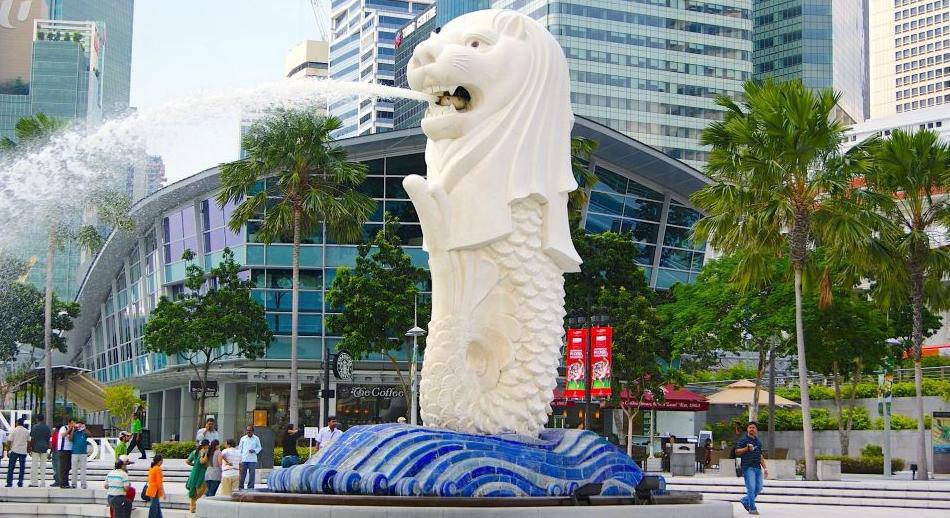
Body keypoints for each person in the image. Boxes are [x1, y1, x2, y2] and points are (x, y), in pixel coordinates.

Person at [735, 421, 768, 515]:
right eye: (750, 427)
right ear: (747, 429)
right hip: (748, 467)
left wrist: (765, 468)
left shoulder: (758, 441)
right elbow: (737, 452)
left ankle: (745, 501)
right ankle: (752, 508)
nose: (751, 429)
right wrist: (746, 449)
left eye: (753, 427)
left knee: (759, 488)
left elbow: (760, 455)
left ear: (756, 430)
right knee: (751, 488)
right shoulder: (743, 440)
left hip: (757, 468)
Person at [185, 440, 210, 513]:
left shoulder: (194, 452)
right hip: (201, 472)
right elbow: (203, 462)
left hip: (194, 472)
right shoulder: (204, 451)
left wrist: (194, 465)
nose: (208, 446)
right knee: (202, 489)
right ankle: (194, 507)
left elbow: (187, 461)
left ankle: (192, 507)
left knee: (194, 489)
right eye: (208, 445)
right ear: (205, 445)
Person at [5, 418, 29, 487]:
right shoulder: (26, 431)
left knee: (11, 467)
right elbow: (29, 441)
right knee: (22, 468)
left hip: (14, 450)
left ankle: (9, 483)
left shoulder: (14, 430)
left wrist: (8, 450)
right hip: (23, 451)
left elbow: (9, 441)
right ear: (23, 423)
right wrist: (28, 450)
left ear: (17, 423)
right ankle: (20, 482)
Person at [29, 414, 51, 487]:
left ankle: (34, 483)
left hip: (35, 448)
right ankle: (43, 482)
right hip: (44, 448)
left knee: (34, 466)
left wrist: (30, 447)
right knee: (43, 466)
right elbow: (48, 438)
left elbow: (32, 438)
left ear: (37, 419)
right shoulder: (47, 428)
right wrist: (47, 446)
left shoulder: (35, 427)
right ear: (43, 419)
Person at [237, 426, 261, 490]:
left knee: (252, 474)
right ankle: (240, 486)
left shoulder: (256, 438)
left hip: (252, 459)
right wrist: (239, 458)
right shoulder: (243, 438)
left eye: (250, 430)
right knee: (242, 474)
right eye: (247, 430)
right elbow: (240, 449)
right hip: (244, 458)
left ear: (253, 431)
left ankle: (250, 487)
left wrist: (254, 450)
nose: (248, 431)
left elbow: (259, 448)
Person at [71, 420, 90, 489]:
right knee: (74, 469)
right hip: (75, 453)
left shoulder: (84, 433)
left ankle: (83, 484)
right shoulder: (75, 433)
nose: (79, 427)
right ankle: (73, 483)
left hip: (83, 453)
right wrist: (73, 429)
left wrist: (84, 428)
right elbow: (70, 438)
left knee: (83, 469)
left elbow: (89, 434)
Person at [57, 417, 75, 488]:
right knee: (63, 467)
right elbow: (63, 435)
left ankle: (66, 482)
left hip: (70, 450)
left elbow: (71, 439)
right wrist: (70, 429)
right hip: (63, 449)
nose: (73, 424)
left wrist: (73, 430)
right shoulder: (63, 428)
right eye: (72, 423)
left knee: (68, 467)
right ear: (69, 423)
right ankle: (62, 483)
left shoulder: (73, 429)